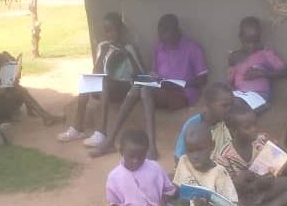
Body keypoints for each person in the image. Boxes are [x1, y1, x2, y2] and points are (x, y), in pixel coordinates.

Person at [91, 14, 209, 160]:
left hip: (183, 92)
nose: (164, 41)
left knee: (145, 90)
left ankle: (151, 147)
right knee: (138, 86)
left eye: (168, 37)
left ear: (177, 31)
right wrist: (154, 76)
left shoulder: (192, 48)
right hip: (162, 87)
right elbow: (156, 71)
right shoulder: (159, 47)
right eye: (161, 36)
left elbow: (202, 79)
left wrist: (180, 83)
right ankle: (110, 141)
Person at [215, 103, 287, 206]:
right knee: (232, 205)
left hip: (266, 189)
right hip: (245, 198)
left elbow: (278, 166)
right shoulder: (223, 157)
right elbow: (227, 191)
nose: (254, 129)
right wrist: (254, 185)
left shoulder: (261, 141)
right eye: (248, 127)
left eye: (255, 124)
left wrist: (283, 161)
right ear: (233, 131)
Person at [60, 12, 144, 146]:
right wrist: (103, 54)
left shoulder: (128, 48)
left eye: (112, 30)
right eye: (106, 31)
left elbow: (140, 73)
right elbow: (95, 73)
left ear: (119, 30)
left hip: (123, 88)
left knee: (104, 81)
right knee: (87, 79)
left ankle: (101, 133)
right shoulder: (102, 46)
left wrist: (126, 55)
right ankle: (77, 128)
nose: (109, 34)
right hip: (105, 88)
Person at [226, 16, 287, 109]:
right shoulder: (234, 57)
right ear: (240, 37)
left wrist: (263, 73)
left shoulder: (265, 53)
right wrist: (229, 88)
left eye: (256, 41)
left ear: (260, 37)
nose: (252, 46)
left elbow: (286, 72)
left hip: (259, 95)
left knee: (238, 104)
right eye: (248, 42)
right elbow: (229, 81)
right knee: (224, 100)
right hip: (239, 94)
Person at [173, 82, 234, 161]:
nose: (229, 109)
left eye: (231, 105)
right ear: (208, 104)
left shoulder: (226, 123)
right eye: (224, 106)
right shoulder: (193, 125)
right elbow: (179, 156)